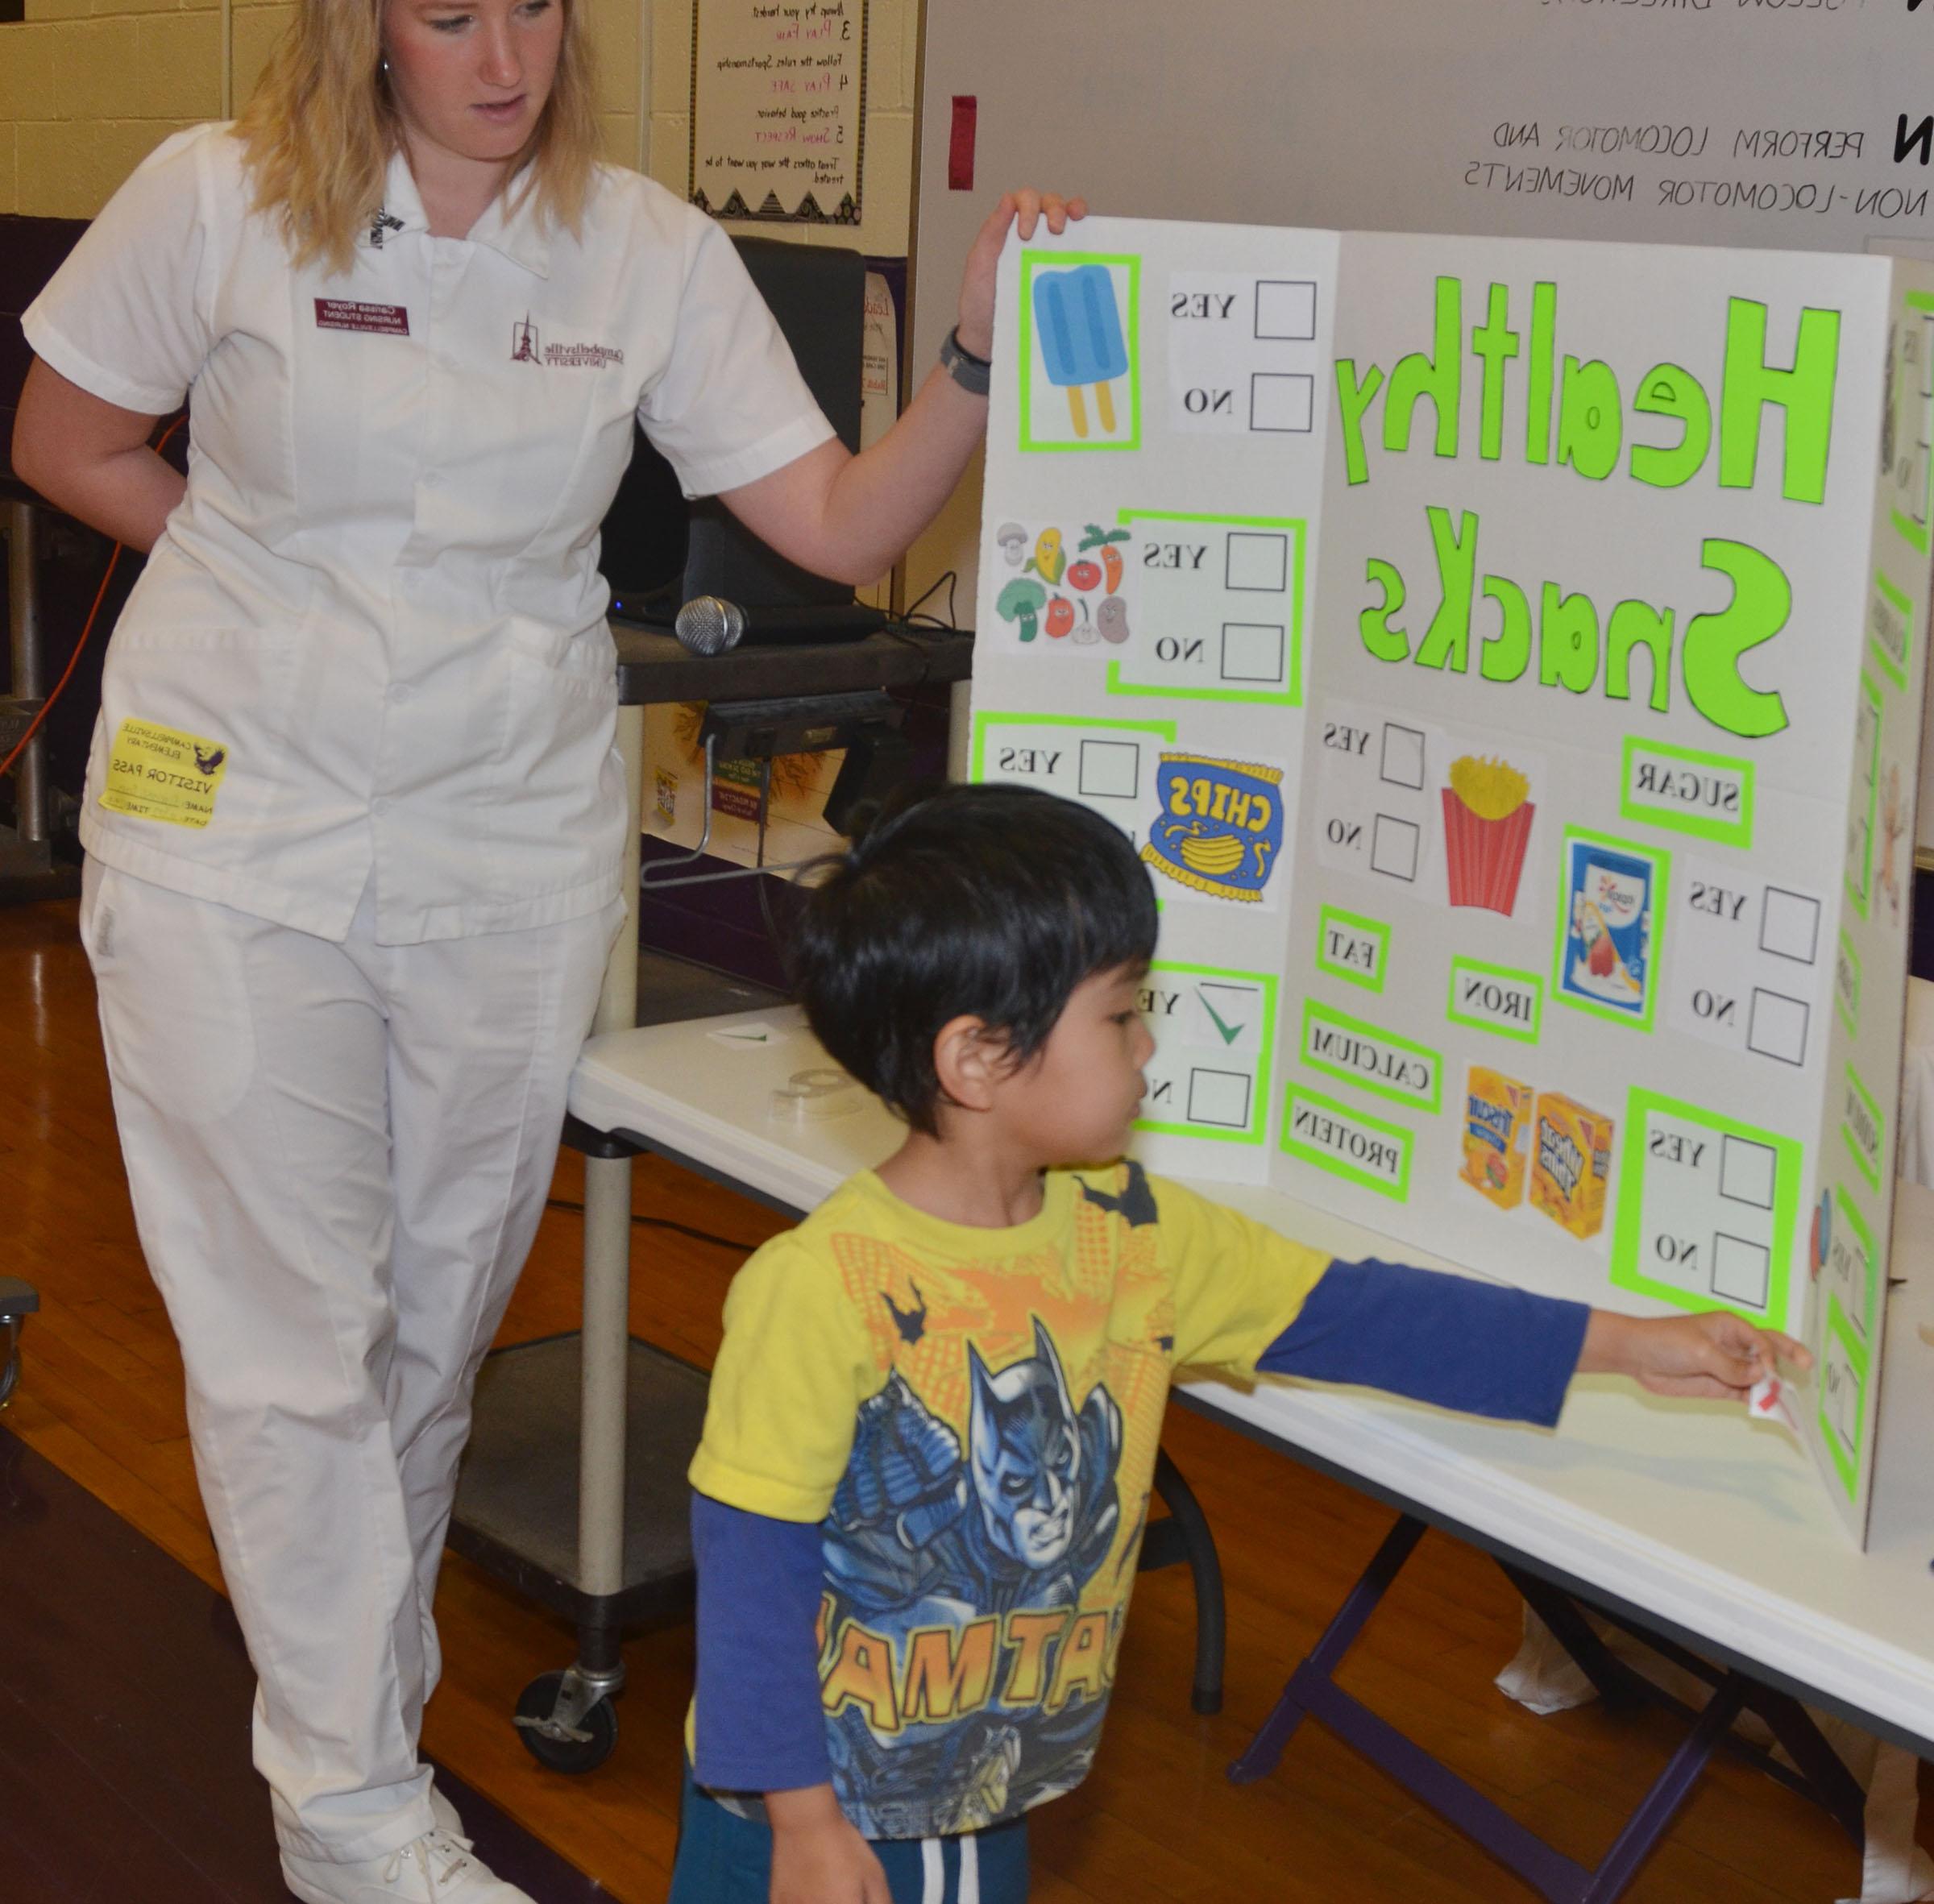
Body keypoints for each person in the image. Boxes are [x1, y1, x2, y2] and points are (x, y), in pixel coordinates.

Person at [9, 0, 1081, 1893]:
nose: (502, 53)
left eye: (534, 3)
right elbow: (68, 433)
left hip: (505, 845)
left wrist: (982, 357)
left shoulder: (642, 244)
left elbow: (832, 521)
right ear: (365, 26)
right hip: (234, 836)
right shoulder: (216, 198)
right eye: (447, 12)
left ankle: (351, 1721)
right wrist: (261, 590)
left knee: (427, 1339)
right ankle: (354, 1822)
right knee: (291, 1353)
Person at [674, 782, 1809, 1904]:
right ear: (976, 1059)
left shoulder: (1133, 1233)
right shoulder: (822, 1288)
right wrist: (804, 1822)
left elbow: (1369, 1316)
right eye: (1120, 1014)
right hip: (810, 1822)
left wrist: (1627, 1345)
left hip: (981, 1790)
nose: (1149, 1042)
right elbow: (749, 1575)